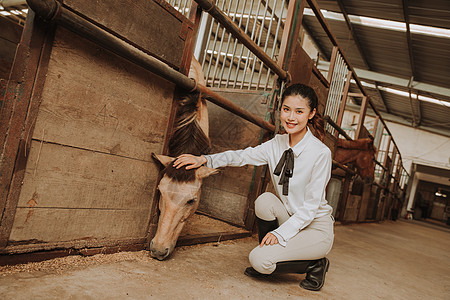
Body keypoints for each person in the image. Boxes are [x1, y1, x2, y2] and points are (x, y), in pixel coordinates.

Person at [173, 83, 334, 291]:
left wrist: (280, 234)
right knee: (264, 201)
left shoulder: (320, 153)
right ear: (280, 110)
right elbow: (241, 156)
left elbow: (311, 208)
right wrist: (204, 159)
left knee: (260, 261)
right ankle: (270, 249)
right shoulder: (277, 143)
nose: (291, 117)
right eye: (286, 109)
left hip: (315, 227)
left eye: (299, 112)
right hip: (292, 217)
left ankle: (316, 263)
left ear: (311, 114)